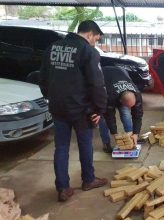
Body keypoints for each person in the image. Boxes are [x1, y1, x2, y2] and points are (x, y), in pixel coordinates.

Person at [39, 20, 108, 202]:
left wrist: (50, 96)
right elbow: (97, 83)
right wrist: (99, 109)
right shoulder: (87, 51)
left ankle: (62, 188)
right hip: (81, 109)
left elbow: (43, 76)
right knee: (85, 144)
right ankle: (88, 180)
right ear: (90, 34)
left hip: (58, 107)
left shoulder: (53, 47)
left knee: (61, 147)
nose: (95, 43)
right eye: (96, 39)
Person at [99, 66, 143, 153]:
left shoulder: (137, 94)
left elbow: (137, 115)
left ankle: (131, 138)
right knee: (103, 119)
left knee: (125, 114)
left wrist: (136, 133)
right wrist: (114, 134)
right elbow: (109, 116)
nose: (131, 108)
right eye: (128, 105)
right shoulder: (110, 96)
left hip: (120, 72)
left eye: (131, 106)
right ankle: (106, 143)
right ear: (120, 101)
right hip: (105, 78)